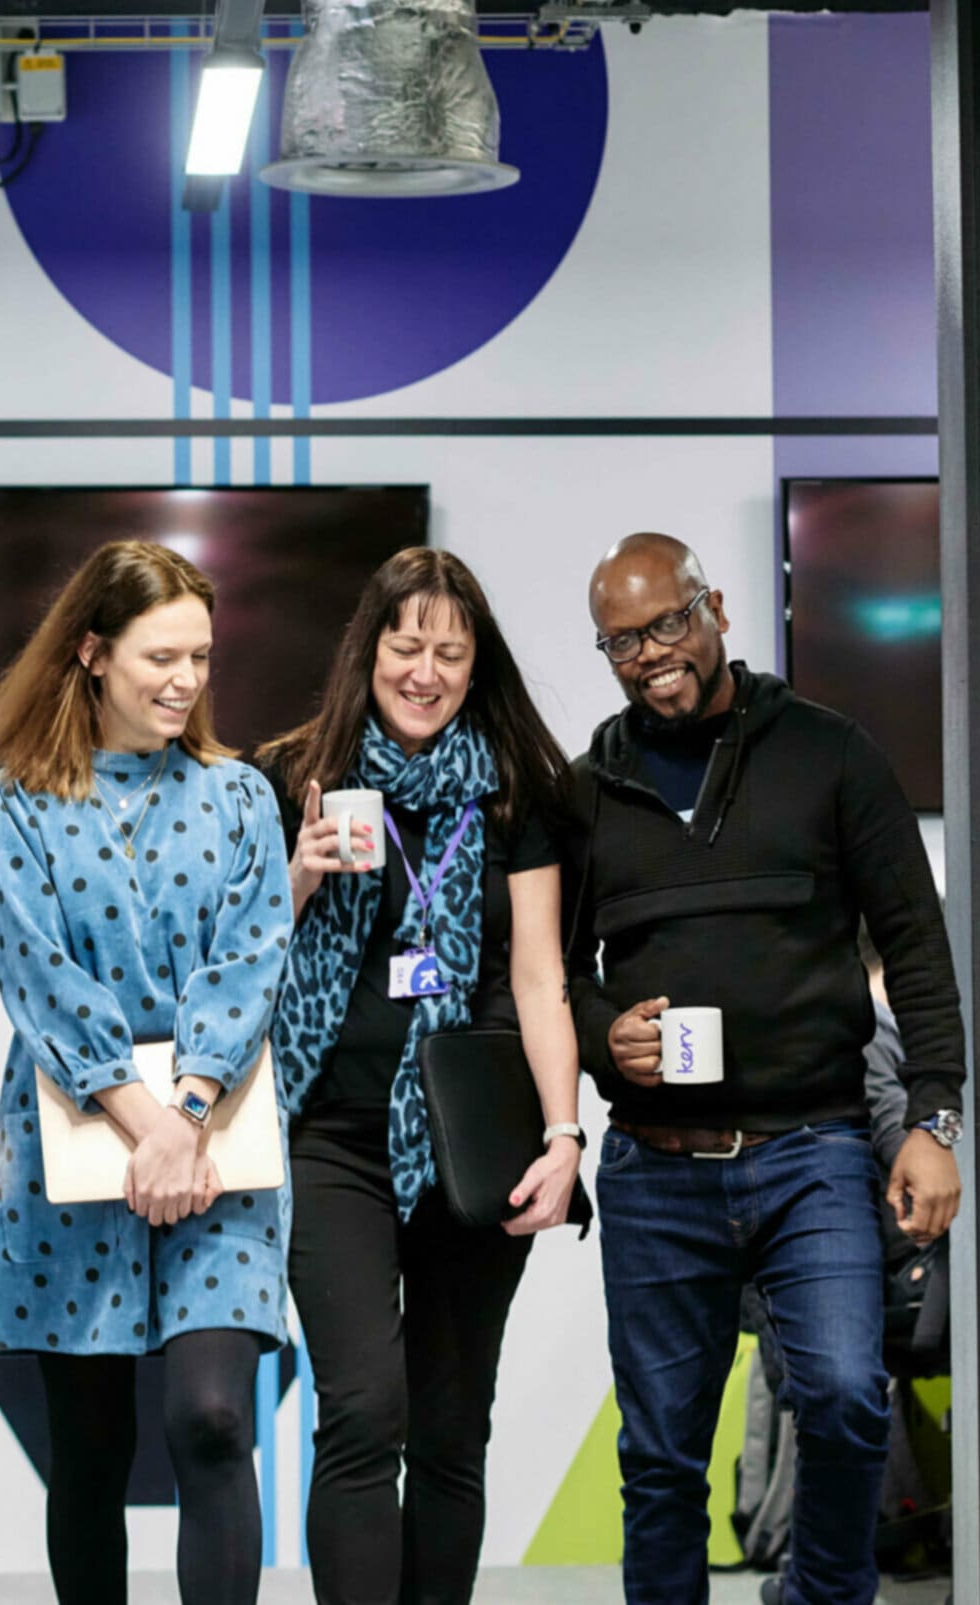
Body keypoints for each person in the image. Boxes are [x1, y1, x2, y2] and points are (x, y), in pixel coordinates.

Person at [561, 533, 966, 1605]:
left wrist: (937, 1120)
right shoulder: (585, 789)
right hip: (654, 1169)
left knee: (843, 1398)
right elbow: (548, 979)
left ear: (717, 609)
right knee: (658, 1456)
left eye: (666, 623)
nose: (649, 654)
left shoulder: (829, 753)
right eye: (620, 641)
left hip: (813, 1151)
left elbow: (916, 946)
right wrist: (607, 1034)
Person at [0, 539, 295, 1605]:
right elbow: (40, 974)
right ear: (94, 653)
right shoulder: (16, 800)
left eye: (199, 656)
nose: (186, 679)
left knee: (211, 1417)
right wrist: (145, 1120)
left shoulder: (238, 795)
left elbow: (253, 957)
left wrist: (186, 1112)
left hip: (216, 1143)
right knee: (89, 1450)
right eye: (161, 656)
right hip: (78, 1139)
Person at [257, 547, 585, 1605]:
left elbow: (539, 980)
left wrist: (563, 1138)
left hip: (469, 1144)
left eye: (451, 650)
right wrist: (298, 871)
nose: (426, 670)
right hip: (329, 1134)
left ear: (476, 662)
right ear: (370, 649)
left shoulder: (514, 793)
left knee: (451, 1428)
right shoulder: (291, 772)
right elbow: (235, 967)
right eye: (407, 644)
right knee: (360, 1409)